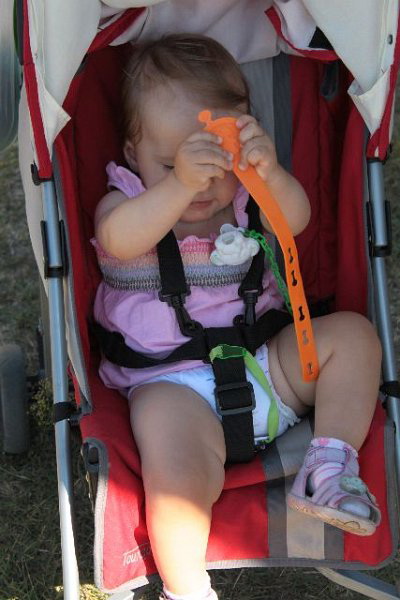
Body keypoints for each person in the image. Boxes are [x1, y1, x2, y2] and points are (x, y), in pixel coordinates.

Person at [92, 34, 382, 600]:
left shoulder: (248, 196)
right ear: (132, 154)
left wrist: (265, 173)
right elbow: (119, 239)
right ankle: (187, 587)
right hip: (170, 385)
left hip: (267, 365)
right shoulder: (125, 199)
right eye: (172, 163)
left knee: (352, 336)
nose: (202, 182)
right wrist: (176, 186)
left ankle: (328, 466)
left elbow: (295, 221)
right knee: (176, 476)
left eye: (215, 161)